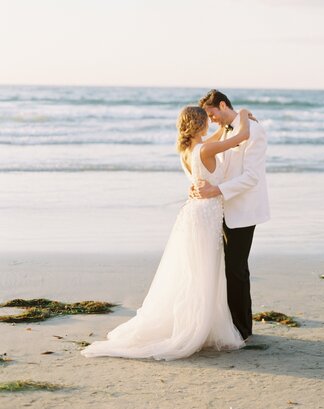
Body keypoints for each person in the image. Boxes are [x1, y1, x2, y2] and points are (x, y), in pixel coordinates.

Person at [81, 105, 253, 361]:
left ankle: (198, 321)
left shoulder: (188, 150)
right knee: (203, 272)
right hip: (205, 217)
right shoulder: (205, 149)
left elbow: (215, 141)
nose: (210, 125)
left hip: (196, 214)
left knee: (195, 272)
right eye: (207, 121)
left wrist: (222, 128)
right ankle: (195, 326)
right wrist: (243, 116)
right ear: (200, 125)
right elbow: (241, 138)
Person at [193, 89, 270, 341]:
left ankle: (242, 330)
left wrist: (216, 189)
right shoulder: (227, 130)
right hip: (221, 208)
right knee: (228, 268)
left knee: (236, 269)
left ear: (223, 105)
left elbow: (252, 177)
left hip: (244, 209)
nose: (211, 119)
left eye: (212, 114)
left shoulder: (254, 132)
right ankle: (234, 324)